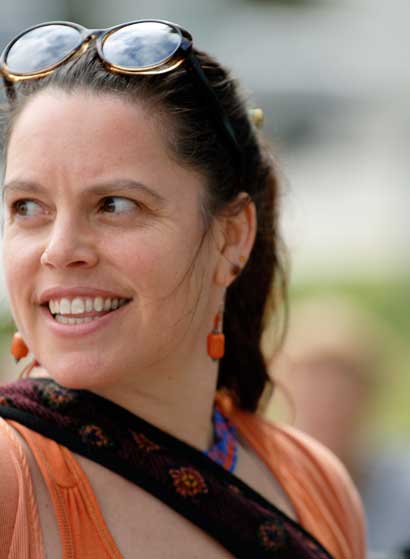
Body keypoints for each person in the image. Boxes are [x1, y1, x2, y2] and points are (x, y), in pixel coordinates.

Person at [0, 20, 365, 558]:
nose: (59, 249)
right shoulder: (13, 487)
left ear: (231, 238)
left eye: (115, 205)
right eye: (27, 207)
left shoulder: (313, 484)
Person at [270, 295, 410, 557]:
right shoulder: (260, 480)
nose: (328, 405)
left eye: (341, 391)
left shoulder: (402, 484)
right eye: (314, 390)